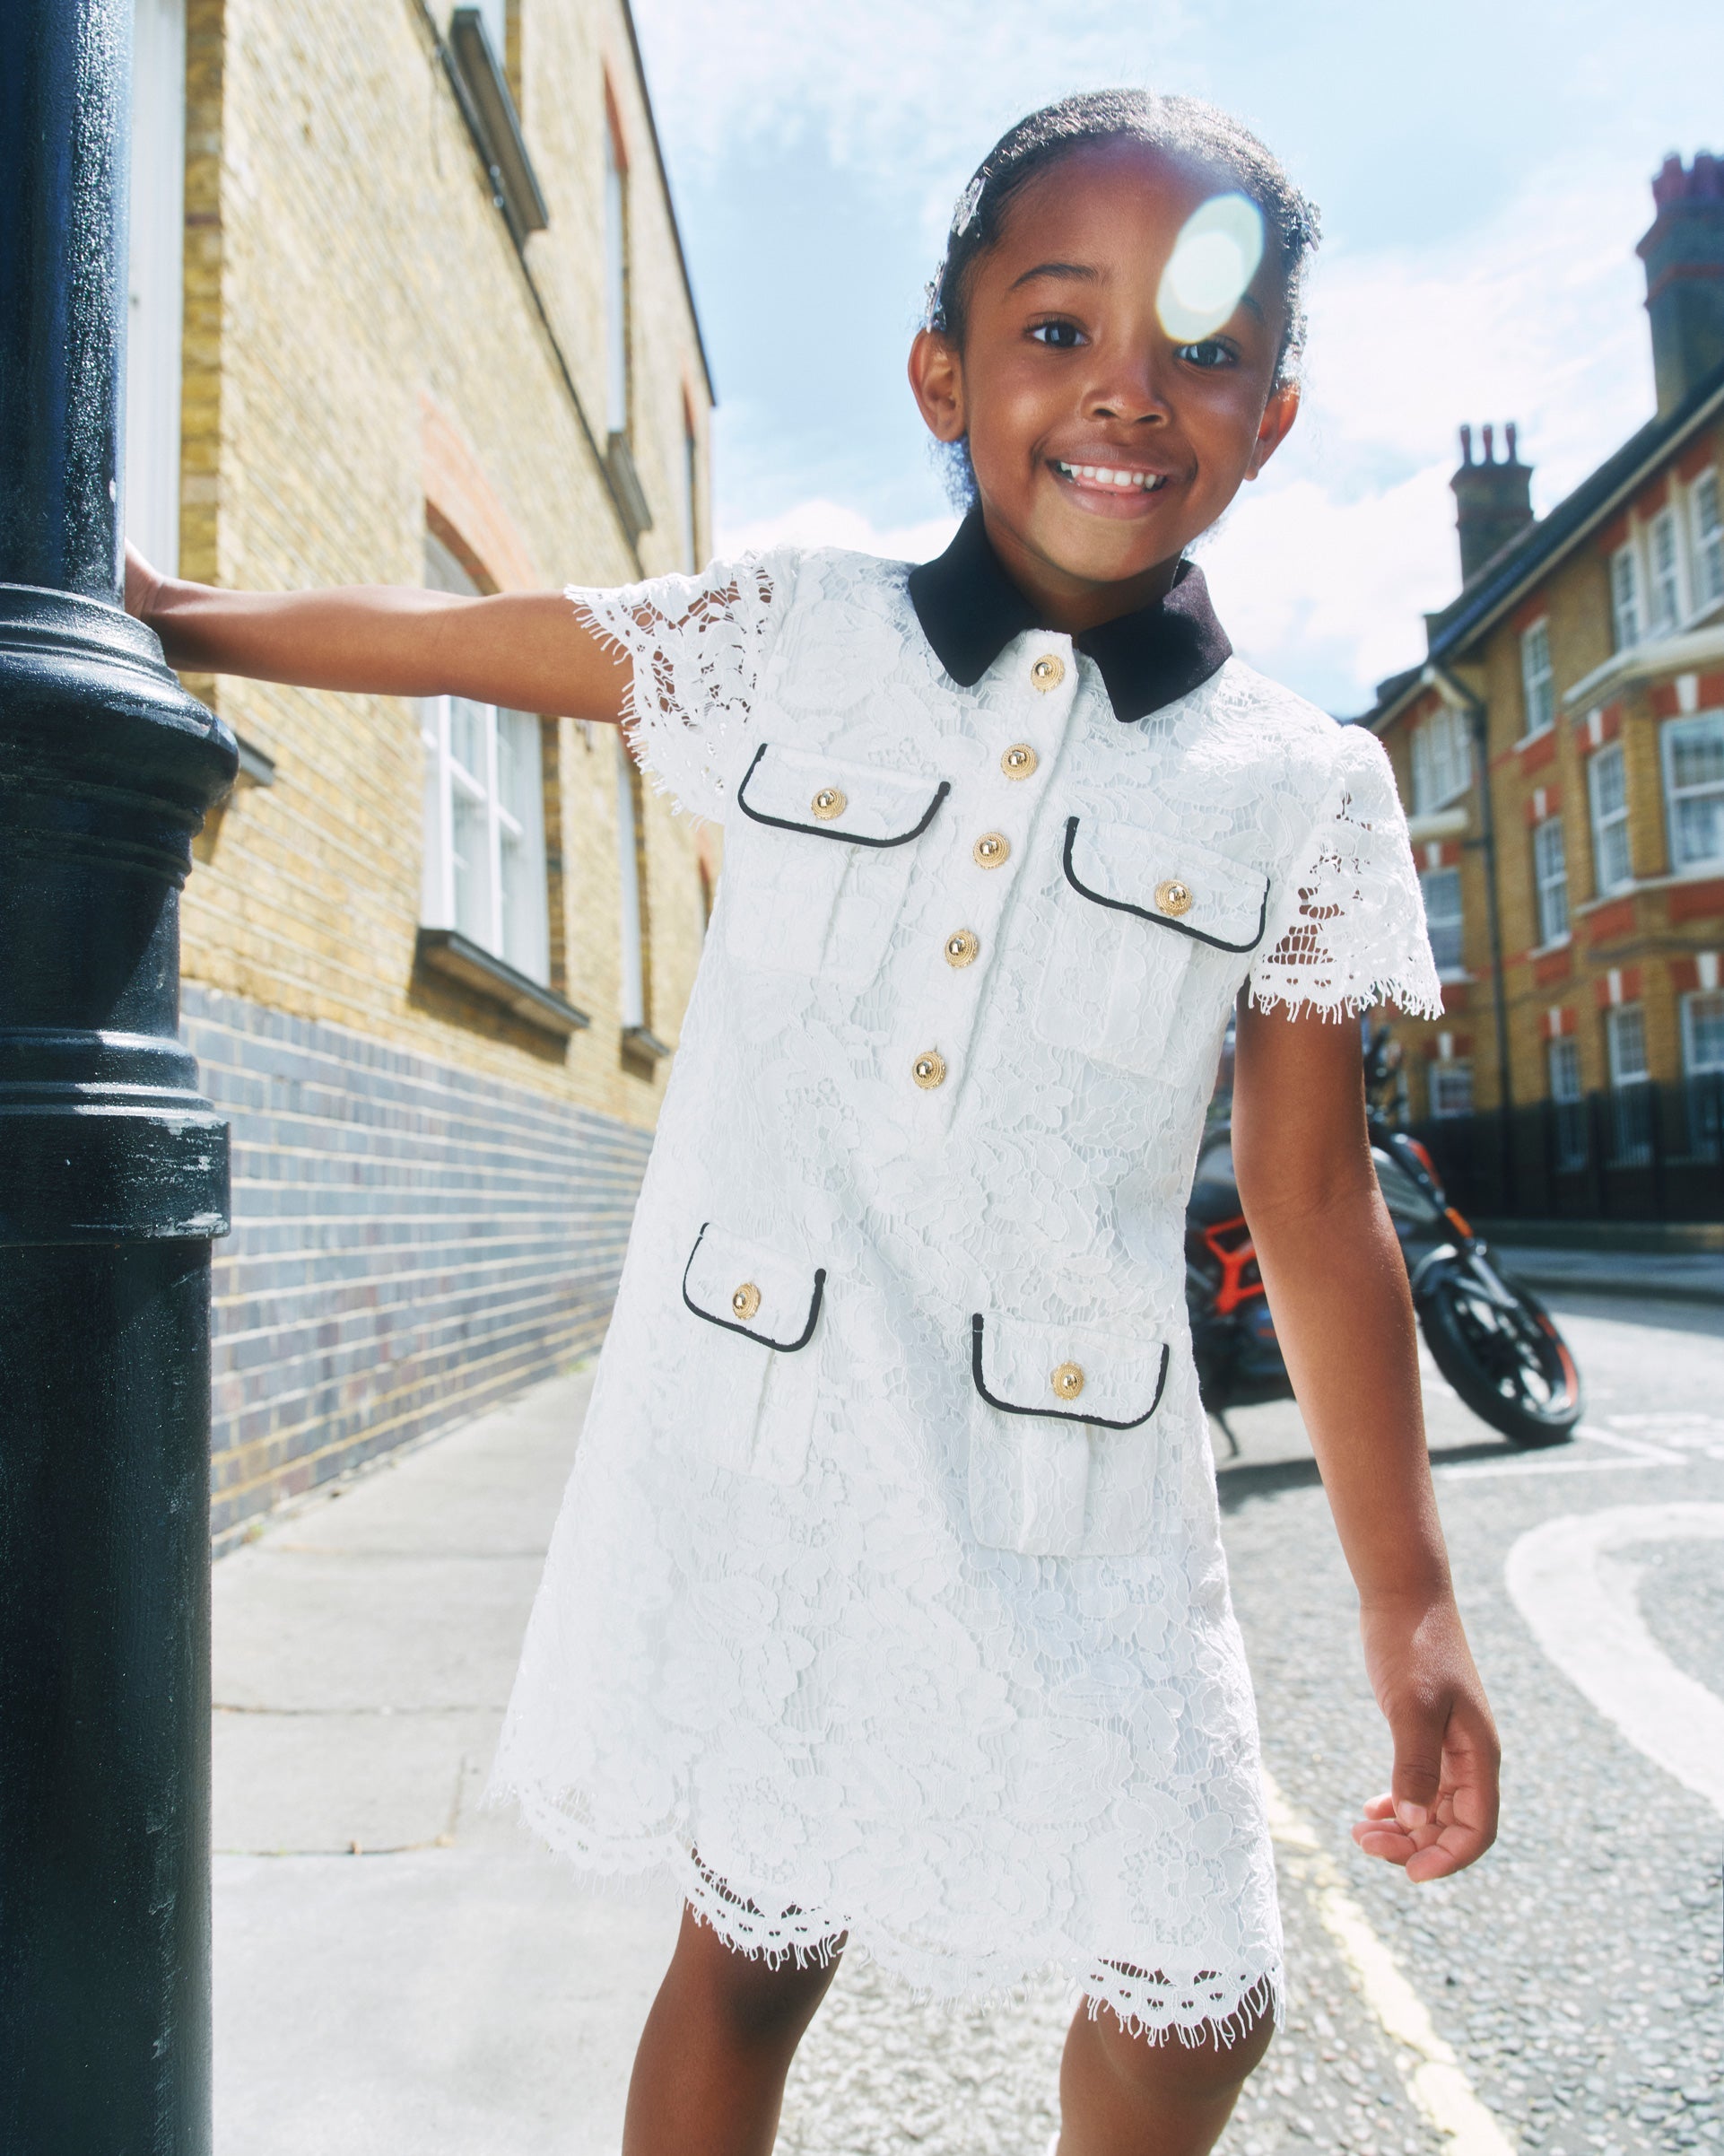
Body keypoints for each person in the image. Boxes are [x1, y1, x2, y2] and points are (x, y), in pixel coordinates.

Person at [127, 88, 1499, 2156]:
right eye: (1060, 327)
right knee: (755, 1949)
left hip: (1076, 1489)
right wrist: (173, 616)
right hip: (776, 1436)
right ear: (944, 373)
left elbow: (1313, 1206)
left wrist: (1410, 1599)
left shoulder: (1298, 787)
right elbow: (476, 640)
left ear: (1271, 417)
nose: (1127, 392)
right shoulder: (797, 638)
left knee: (1200, 1994)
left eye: (1203, 350)